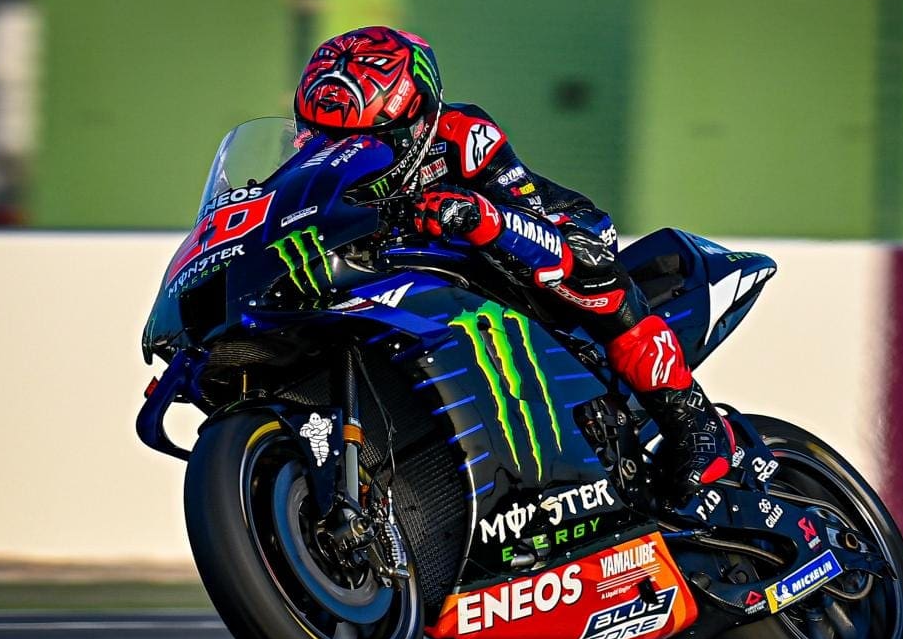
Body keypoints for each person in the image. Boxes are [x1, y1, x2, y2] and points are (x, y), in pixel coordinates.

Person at [293, 26, 733, 507]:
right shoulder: (309, 162)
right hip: (429, 275)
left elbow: (531, 214)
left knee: (586, 267)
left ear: (416, 120)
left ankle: (693, 421)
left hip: (546, 232)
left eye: (370, 138)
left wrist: (477, 216)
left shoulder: (464, 133)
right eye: (326, 135)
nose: (347, 150)